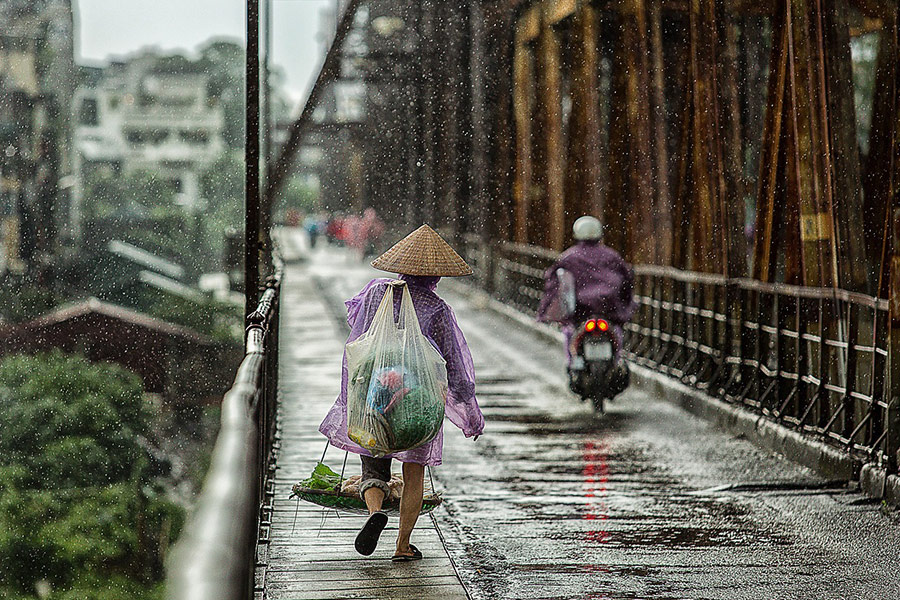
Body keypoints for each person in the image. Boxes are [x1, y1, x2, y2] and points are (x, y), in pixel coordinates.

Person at [319, 224, 484, 561]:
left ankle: (375, 512)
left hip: (373, 393)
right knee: (414, 472)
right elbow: (455, 365)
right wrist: (470, 413)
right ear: (436, 275)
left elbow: (356, 325)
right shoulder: (438, 309)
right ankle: (402, 545)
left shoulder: (376, 293)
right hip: (417, 401)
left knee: (374, 466)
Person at [537, 216, 637, 370]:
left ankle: (572, 363)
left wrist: (543, 312)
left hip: (581, 310)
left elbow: (553, 285)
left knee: (569, 331)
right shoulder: (612, 256)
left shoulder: (569, 257)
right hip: (608, 309)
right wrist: (627, 307)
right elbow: (627, 281)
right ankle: (616, 362)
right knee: (617, 331)